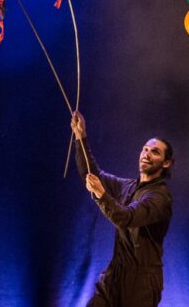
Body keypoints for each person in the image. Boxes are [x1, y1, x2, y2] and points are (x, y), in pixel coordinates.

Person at [71, 111, 174, 307]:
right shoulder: (128, 187)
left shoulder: (160, 197)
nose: (147, 154)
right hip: (115, 273)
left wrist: (102, 195)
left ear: (166, 163)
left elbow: (126, 218)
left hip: (142, 282)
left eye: (155, 152)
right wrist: (80, 136)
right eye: (145, 149)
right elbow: (91, 174)